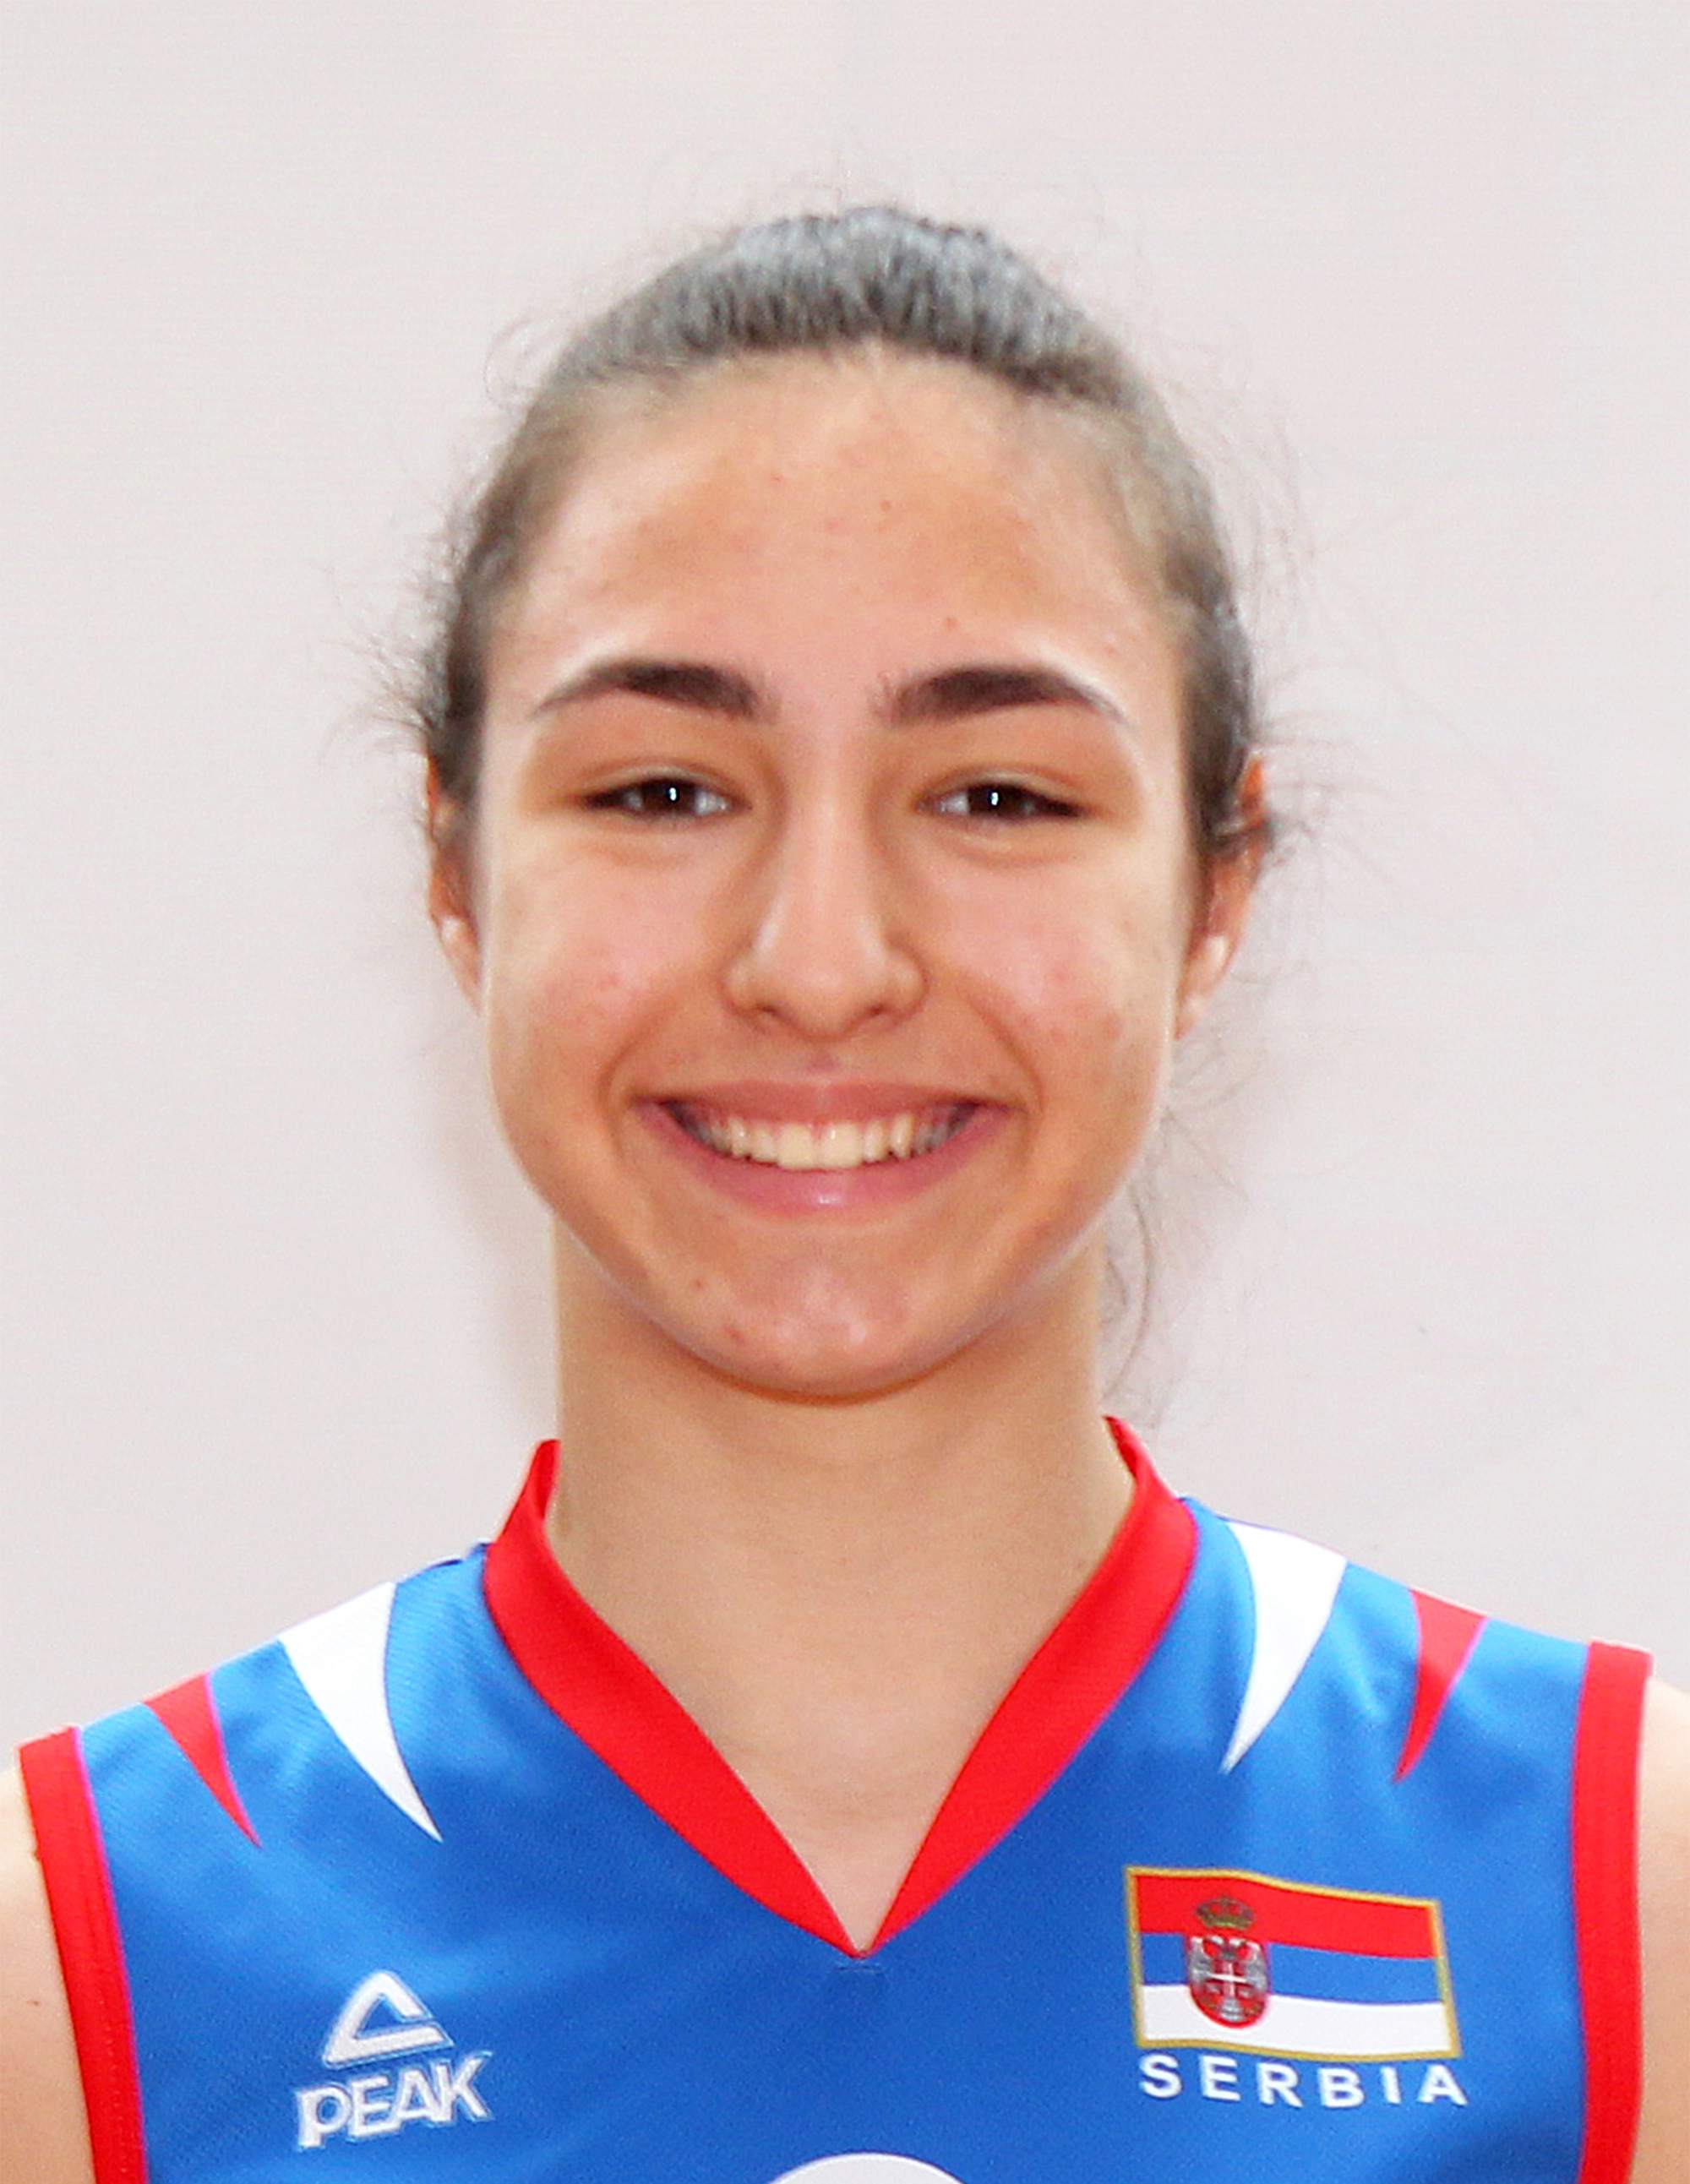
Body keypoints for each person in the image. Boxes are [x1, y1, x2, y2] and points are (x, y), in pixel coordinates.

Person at [1, 207, 1685, 2184]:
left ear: (1212, 890)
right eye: (661, 791)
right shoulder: (85, 1955)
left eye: (996, 796)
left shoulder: (1611, 1891)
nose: (818, 962)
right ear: (455, 872)